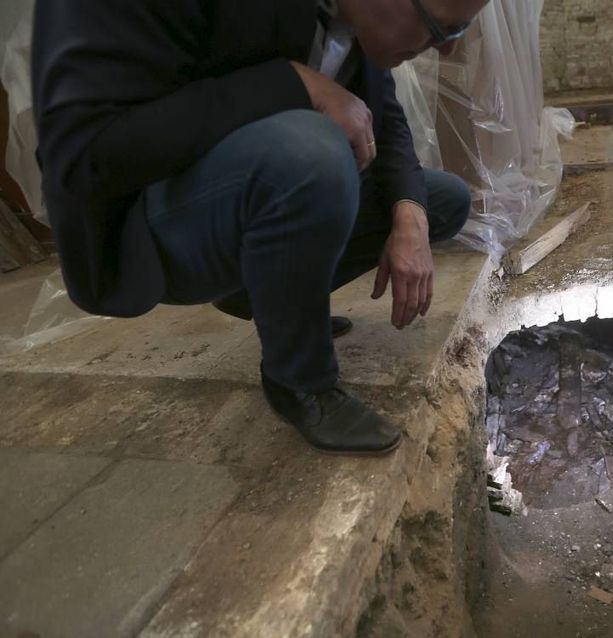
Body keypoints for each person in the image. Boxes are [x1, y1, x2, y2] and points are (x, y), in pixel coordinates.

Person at [31, 0, 490, 456]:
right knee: (311, 154)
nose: (445, 52)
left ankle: (258, 294)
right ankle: (299, 381)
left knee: (441, 199)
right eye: (438, 28)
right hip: (146, 220)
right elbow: (81, 158)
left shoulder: (354, 21)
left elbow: (383, 118)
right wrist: (293, 84)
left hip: (249, 186)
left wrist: (409, 213)